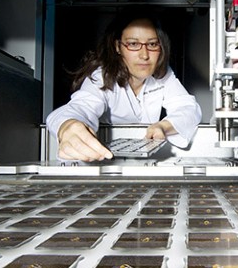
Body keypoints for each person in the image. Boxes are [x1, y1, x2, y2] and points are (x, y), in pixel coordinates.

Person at [46, 10, 202, 162]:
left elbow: (188, 108)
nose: (144, 55)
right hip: (106, 161)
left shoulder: (163, 73)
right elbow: (81, 106)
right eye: (133, 44)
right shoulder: (102, 76)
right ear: (117, 47)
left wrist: (163, 126)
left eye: (152, 44)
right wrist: (68, 125)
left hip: (146, 162)